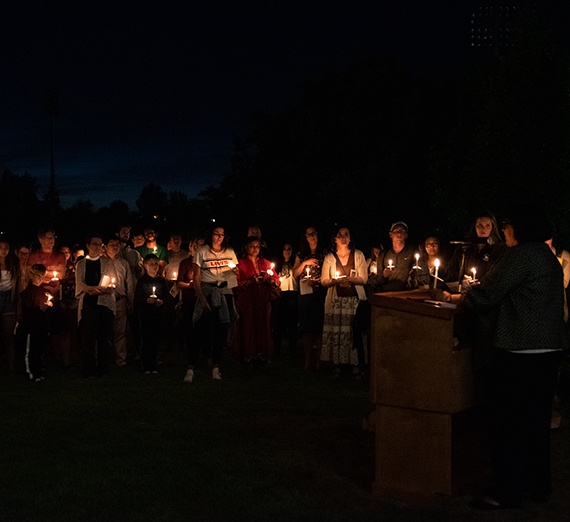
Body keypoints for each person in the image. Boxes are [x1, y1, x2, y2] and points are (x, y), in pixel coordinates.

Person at [459, 208, 566, 510]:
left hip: (520, 352)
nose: (504, 231)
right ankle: (536, 486)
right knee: (535, 425)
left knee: (508, 425)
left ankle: (506, 491)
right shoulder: (547, 255)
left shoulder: (521, 256)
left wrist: (468, 292)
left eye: (507, 226)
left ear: (521, 228)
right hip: (548, 350)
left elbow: (488, 295)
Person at [320, 228, 368, 377]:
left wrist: (349, 280)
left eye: (346, 234)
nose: (343, 238)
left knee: (352, 333)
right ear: (335, 239)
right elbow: (324, 280)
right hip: (336, 302)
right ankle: (337, 365)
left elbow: (363, 279)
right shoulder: (330, 258)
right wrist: (335, 281)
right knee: (337, 333)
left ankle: (355, 365)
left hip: (353, 302)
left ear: (350, 238)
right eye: (339, 235)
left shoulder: (358, 255)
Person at [193, 226, 238, 381]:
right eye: (216, 234)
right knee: (204, 328)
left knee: (221, 329)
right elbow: (196, 278)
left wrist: (235, 272)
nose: (219, 237)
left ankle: (217, 365)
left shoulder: (229, 252)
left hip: (224, 292)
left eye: (222, 235)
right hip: (209, 292)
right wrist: (202, 298)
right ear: (210, 235)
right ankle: (201, 360)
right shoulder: (202, 253)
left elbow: (233, 271)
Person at [75, 234, 117, 378]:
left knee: (103, 338)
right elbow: (80, 284)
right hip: (88, 304)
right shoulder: (81, 264)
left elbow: (111, 279)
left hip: (104, 304)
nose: (98, 247)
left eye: (100, 244)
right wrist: (91, 289)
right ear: (88, 245)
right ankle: (89, 369)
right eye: (95, 244)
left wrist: (105, 289)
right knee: (89, 338)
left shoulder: (107, 261)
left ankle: (104, 368)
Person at [236, 236, 280, 364]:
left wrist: (269, 280)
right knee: (249, 324)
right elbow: (236, 283)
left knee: (263, 324)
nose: (255, 249)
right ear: (246, 247)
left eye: (257, 246)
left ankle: (262, 354)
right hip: (248, 299)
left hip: (262, 298)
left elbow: (276, 279)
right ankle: (248, 355)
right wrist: (251, 282)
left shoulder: (265, 263)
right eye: (252, 246)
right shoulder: (241, 263)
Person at [293, 227, 328, 370]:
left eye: (314, 234)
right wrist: (304, 264)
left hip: (320, 292)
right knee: (307, 328)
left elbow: (329, 270)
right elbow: (295, 273)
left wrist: (319, 280)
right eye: (309, 235)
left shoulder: (324, 253)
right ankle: (308, 360)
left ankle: (319, 360)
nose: (312, 237)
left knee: (319, 328)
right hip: (305, 293)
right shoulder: (301, 254)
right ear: (305, 237)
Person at [449, 212, 506, 285]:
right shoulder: (465, 247)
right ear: (475, 226)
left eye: (487, 226)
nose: (483, 229)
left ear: (493, 227)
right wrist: (461, 277)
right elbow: (450, 271)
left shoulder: (499, 249)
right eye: (480, 225)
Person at [134, 254, 169, 374]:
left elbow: (167, 296)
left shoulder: (161, 281)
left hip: (157, 314)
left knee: (155, 340)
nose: (154, 266)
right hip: (145, 315)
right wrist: (146, 301)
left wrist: (162, 301)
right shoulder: (142, 281)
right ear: (146, 266)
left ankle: (153, 364)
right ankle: (146, 365)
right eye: (151, 264)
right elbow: (137, 299)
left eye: (156, 263)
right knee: (146, 340)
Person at [177, 236, 205, 382]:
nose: (199, 247)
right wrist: (190, 285)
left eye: (202, 244)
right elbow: (179, 283)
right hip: (189, 300)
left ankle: (203, 355)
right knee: (189, 329)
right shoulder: (186, 263)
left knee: (202, 329)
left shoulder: (205, 264)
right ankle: (190, 356)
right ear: (192, 247)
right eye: (197, 244)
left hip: (203, 301)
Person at [20, 264, 52, 381]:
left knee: (39, 350)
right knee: (31, 350)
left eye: (43, 276)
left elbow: (45, 307)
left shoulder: (43, 291)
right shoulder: (28, 292)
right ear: (32, 275)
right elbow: (27, 310)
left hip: (42, 326)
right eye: (38, 276)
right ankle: (32, 373)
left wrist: (48, 306)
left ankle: (38, 372)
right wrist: (39, 309)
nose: (41, 278)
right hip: (32, 327)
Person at [106, 238, 134, 367]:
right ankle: (105, 357)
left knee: (120, 331)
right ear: (105, 247)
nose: (115, 247)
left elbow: (129, 283)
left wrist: (130, 300)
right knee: (105, 330)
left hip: (120, 300)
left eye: (117, 245)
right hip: (105, 300)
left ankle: (121, 360)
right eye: (112, 244)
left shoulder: (124, 263)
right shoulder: (102, 262)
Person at [369, 222, 415, 293]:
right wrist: (385, 276)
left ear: (406, 235)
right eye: (396, 231)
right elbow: (379, 278)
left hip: (406, 293)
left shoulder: (412, 252)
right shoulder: (383, 254)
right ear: (390, 234)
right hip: (387, 293)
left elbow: (417, 272)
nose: (399, 234)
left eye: (402, 231)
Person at [272, 243, 298, 357]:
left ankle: (292, 351)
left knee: (292, 325)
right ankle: (277, 350)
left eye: (289, 249)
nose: (287, 251)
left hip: (293, 295)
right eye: (285, 249)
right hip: (280, 295)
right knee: (278, 324)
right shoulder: (277, 265)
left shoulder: (296, 264)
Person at [0, 238, 19, 375]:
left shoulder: (13, 264)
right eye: (0, 247)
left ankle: (12, 368)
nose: (3, 250)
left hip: (9, 299)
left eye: (6, 247)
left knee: (9, 335)